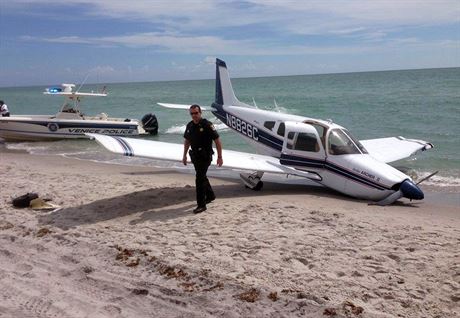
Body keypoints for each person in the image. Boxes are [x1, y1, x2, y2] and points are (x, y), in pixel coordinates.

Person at [183, 104, 223, 214]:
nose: (194, 115)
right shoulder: (190, 126)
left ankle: (201, 205)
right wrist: (184, 155)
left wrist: (220, 157)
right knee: (202, 176)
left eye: (196, 113)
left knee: (199, 179)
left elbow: (217, 141)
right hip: (195, 156)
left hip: (205, 156)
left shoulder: (207, 125)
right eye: (192, 113)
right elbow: (187, 141)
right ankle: (210, 195)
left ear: (200, 113)